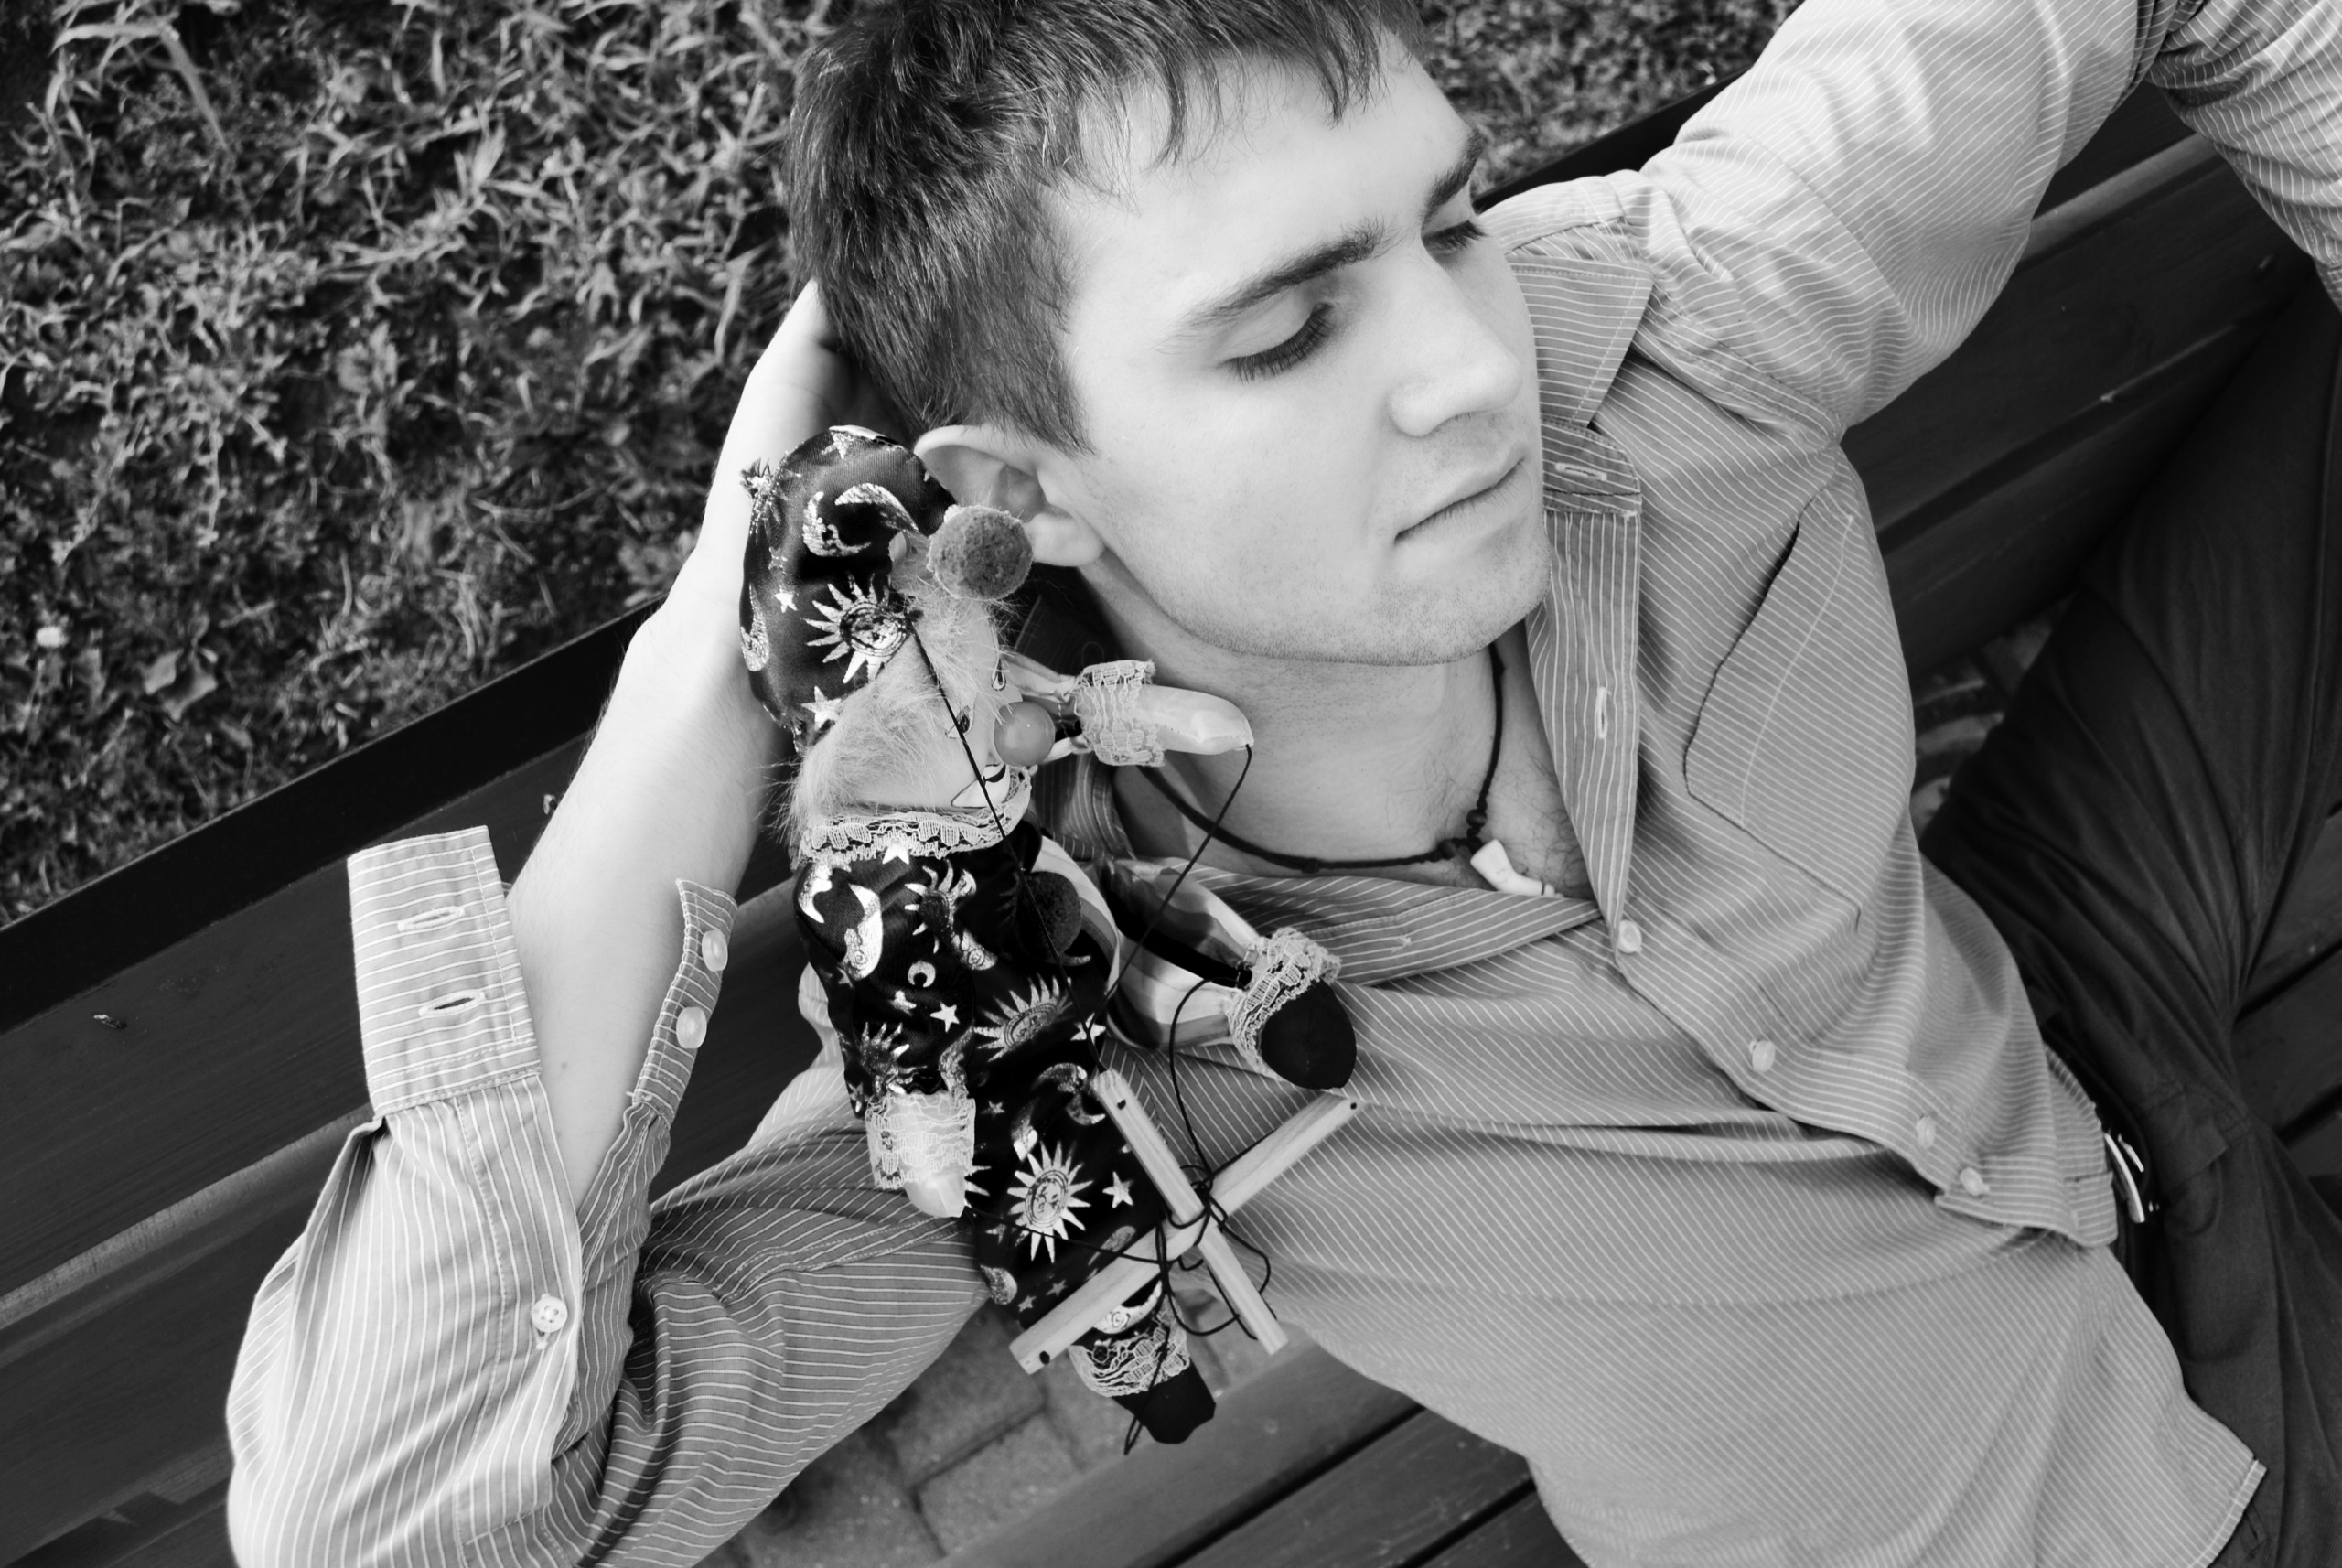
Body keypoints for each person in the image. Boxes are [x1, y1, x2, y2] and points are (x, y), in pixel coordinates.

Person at [223, 0, 2342, 1562]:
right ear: (1016, 492)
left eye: (1446, 223)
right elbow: (395, 1525)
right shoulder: (1057, 1025)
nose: (1463, 367)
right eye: (1282, 331)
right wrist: (715, 634)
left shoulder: (1657, 339)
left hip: (2064, 1022)